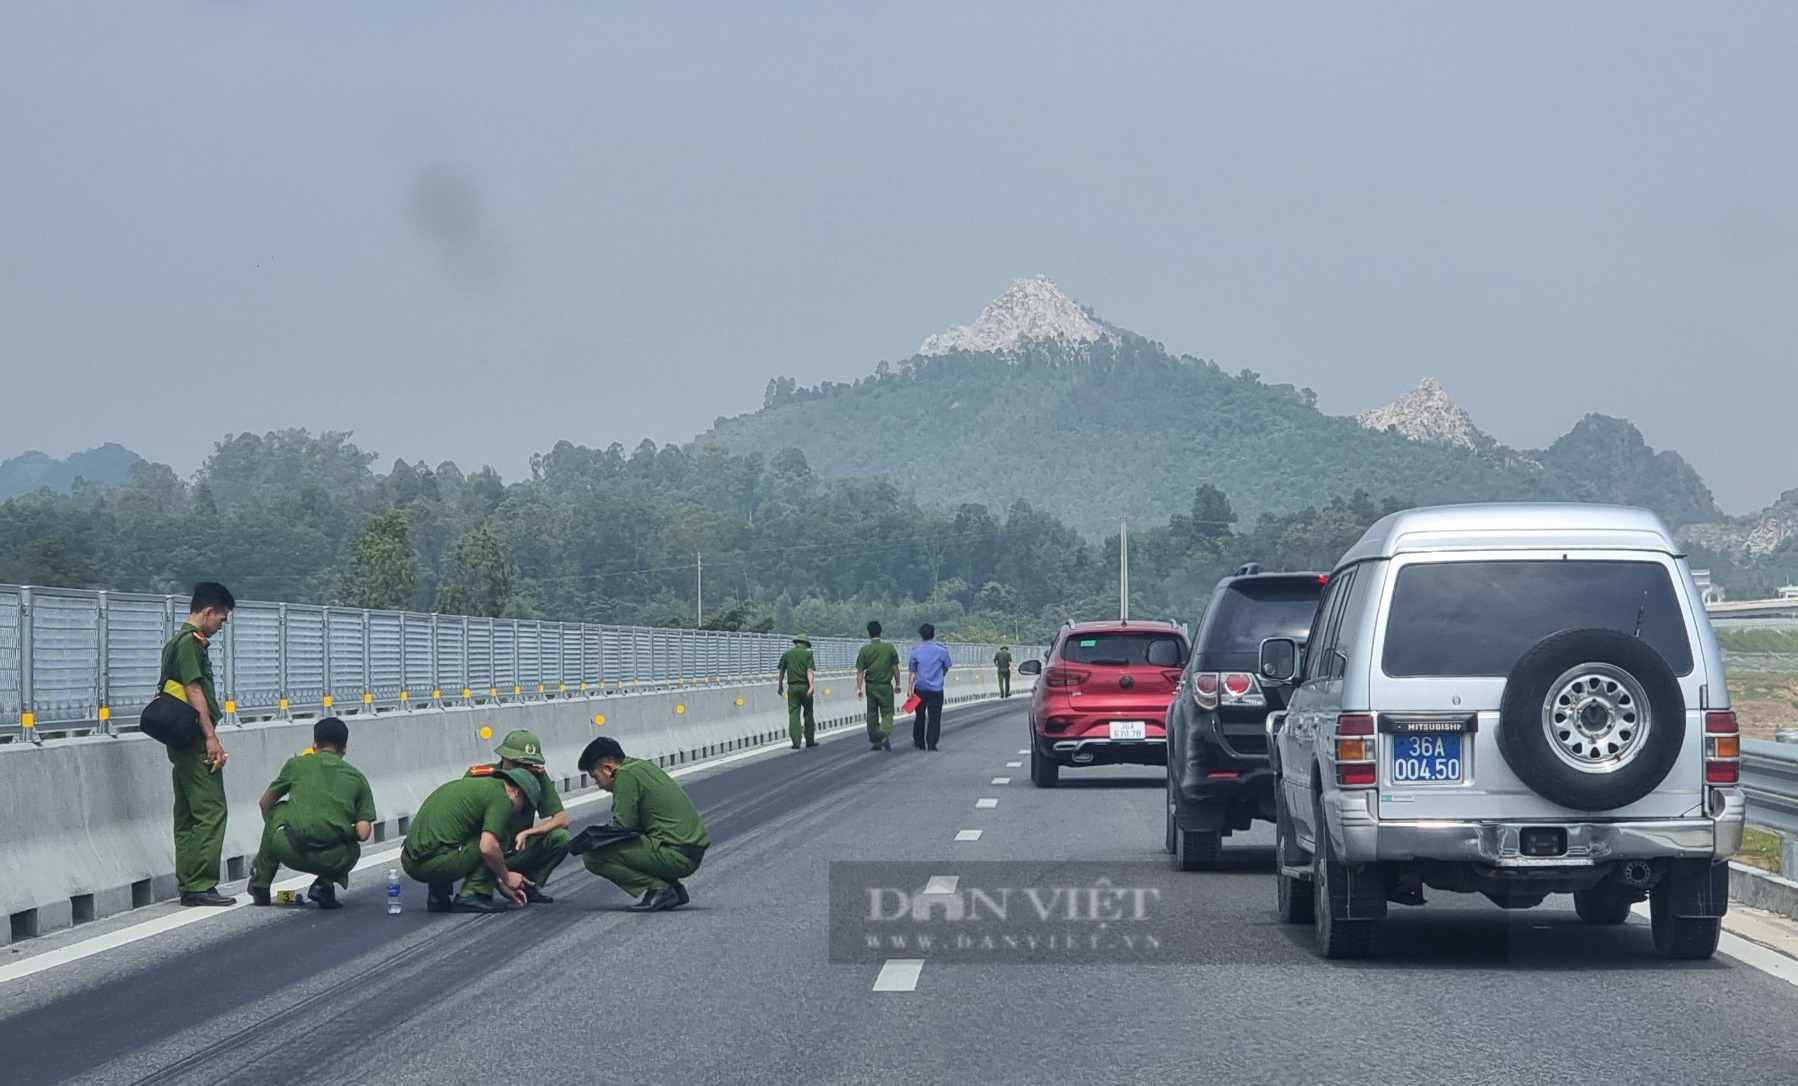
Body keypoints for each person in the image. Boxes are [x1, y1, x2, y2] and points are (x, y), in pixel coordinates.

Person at [246, 717, 376, 909]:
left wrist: (275, 835)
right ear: (345, 748)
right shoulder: (358, 778)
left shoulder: (296, 765)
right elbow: (364, 833)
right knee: (353, 850)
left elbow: (265, 803)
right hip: (333, 859)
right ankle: (324, 885)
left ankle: (260, 885)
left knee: (278, 811)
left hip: (290, 849)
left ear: (314, 745)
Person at [162, 581, 237, 907]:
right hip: (194, 738)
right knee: (211, 810)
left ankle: (189, 881)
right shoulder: (190, 644)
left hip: (180, 738)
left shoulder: (176, 642)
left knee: (188, 813)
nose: (221, 626)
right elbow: (194, 691)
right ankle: (201, 883)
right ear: (208, 612)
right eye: (221, 619)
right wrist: (211, 737)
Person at [574, 736, 709, 912]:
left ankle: (660, 889)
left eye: (596, 777)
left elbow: (622, 827)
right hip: (689, 852)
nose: (598, 785)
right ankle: (674, 888)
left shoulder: (624, 775)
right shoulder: (642, 767)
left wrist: (583, 840)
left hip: (676, 856)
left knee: (593, 857)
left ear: (608, 769)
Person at [402, 766, 541, 913]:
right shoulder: (501, 799)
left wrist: (499, 883)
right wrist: (507, 877)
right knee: (500, 837)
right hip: (432, 864)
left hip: (409, 860)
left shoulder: (477, 786)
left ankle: (438, 895)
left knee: (453, 834)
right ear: (517, 793)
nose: (521, 812)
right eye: (525, 807)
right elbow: (488, 848)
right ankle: (472, 894)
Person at [464, 729, 568, 904]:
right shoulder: (481, 777)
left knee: (561, 838)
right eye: (518, 764)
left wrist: (529, 833)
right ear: (504, 758)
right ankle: (449, 890)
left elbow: (562, 819)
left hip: (516, 849)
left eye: (529, 765)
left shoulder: (536, 778)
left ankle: (526, 884)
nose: (524, 771)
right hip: (483, 851)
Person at [855, 620, 901, 751]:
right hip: (885, 686)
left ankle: (876, 740)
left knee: (872, 714)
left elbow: (860, 671)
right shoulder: (889, 648)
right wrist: (897, 683)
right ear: (881, 632)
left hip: (871, 686)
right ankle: (884, 732)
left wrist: (858, 687)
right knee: (888, 712)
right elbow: (895, 668)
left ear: (868, 634)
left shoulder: (865, 650)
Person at [908, 623, 954, 751]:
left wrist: (909, 690)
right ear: (933, 634)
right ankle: (932, 743)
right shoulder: (942, 651)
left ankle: (919, 741)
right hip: (936, 689)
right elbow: (946, 667)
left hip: (920, 688)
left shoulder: (915, 652)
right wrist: (939, 676)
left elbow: (912, 672)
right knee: (934, 716)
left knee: (920, 715)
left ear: (921, 636)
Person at [777, 633, 818, 750]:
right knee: (808, 713)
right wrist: (811, 686)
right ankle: (809, 740)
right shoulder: (807, 654)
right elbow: (809, 671)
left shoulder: (787, 655)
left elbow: (781, 673)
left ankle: (796, 741)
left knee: (793, 713)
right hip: (805, 686)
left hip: (792, 688)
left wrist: (780, 686)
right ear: (805, 644)